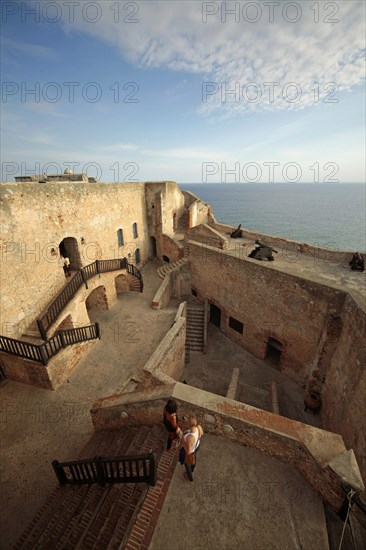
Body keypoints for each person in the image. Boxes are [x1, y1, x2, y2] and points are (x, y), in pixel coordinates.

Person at [182, 415, 203, 482]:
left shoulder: (189, 438)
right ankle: (193, 468)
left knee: (187, 464)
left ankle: (190, 477)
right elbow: (198, 435)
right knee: (194, 457)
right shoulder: (198, 428)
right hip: (197, 446)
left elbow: (187, 452)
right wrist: (187, 432)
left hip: (191, 451)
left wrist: (182, 439)